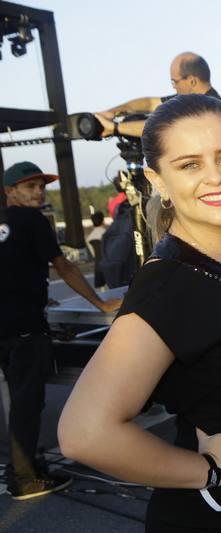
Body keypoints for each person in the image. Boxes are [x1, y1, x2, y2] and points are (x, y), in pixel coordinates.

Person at [58, 95, 221, 532]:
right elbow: (84, 433)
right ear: (157, 180)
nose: (215, 176)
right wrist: (208, 469)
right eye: (189, 165)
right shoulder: (170, 283)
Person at [1, 161, 121, 500]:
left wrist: (33, 294)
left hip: (4, 327)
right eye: (30, 187)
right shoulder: (34, 221)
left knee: (17, 397)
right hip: (25, 328)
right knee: (27, 402)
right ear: (10, 191)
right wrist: (100, 303)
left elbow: (13, 267)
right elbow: (64, 266)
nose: (39, 193)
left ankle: (23, 466)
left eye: (41, 186)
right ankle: (24, 478)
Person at [94, 52, 221, 139]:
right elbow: (150, 103)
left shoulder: (211, 109)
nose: (173, 87)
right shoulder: (187, 99)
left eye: (175, 82)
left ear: (192, 81)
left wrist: (115, 128)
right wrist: (112, 112)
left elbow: (165, 127)